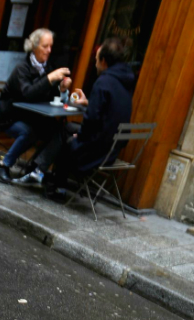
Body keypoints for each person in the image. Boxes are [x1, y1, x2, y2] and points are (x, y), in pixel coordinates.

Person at [38, 37, 136, 199]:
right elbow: (110, 110)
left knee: (66, 142)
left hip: (95, 151)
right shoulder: (124, 81)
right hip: (110, 148)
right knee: (67, 128)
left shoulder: (103, 82)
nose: (95, 62)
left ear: (104, 61)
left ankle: (54, 185)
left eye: (96, 59)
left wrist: (81, 137)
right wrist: (89, 102)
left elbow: (91, 120)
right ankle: (40, 169)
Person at [0, 28, 72, 184]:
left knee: (57, 129)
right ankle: (3, 166)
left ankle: (35, 168)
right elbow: (28, 93)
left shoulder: (48, 68)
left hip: (31, 117)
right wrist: (50, 78)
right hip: (8, 117)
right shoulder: (22, 68)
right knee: (30, 133)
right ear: (34, 47)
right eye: (45, 46)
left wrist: (62, 90)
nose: (49, 50)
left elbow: (53, 97)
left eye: (51, 46)